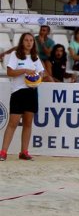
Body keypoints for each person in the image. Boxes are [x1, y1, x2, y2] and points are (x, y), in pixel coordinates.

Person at [0, 32, 46, 161]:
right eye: (26, 40)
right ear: (22, 42)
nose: (29, 42)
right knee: (12, 123)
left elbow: (42, 73)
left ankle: (24, 152)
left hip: (31, 92)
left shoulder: (35, 57)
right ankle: (3, 152)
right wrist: (25, 70)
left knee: (28, 123)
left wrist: (38, 78)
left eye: (31, 40)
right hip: (18, 92)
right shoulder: (16, 55)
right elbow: (10, 72)